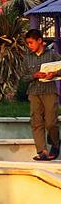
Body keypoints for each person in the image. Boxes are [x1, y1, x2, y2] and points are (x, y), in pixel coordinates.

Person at [22, 29, 58, 161]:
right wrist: (34, 75)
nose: (29, 46)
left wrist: (54, 73)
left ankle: (55, 143)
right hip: (34, 93)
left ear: (39, 41)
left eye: (31, 42)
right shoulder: (27, 58)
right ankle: (42, 151)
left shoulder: (52, 54)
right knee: (36, 122)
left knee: (51, 122)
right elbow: (23, 77)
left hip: (49, 91)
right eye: (28, 43)